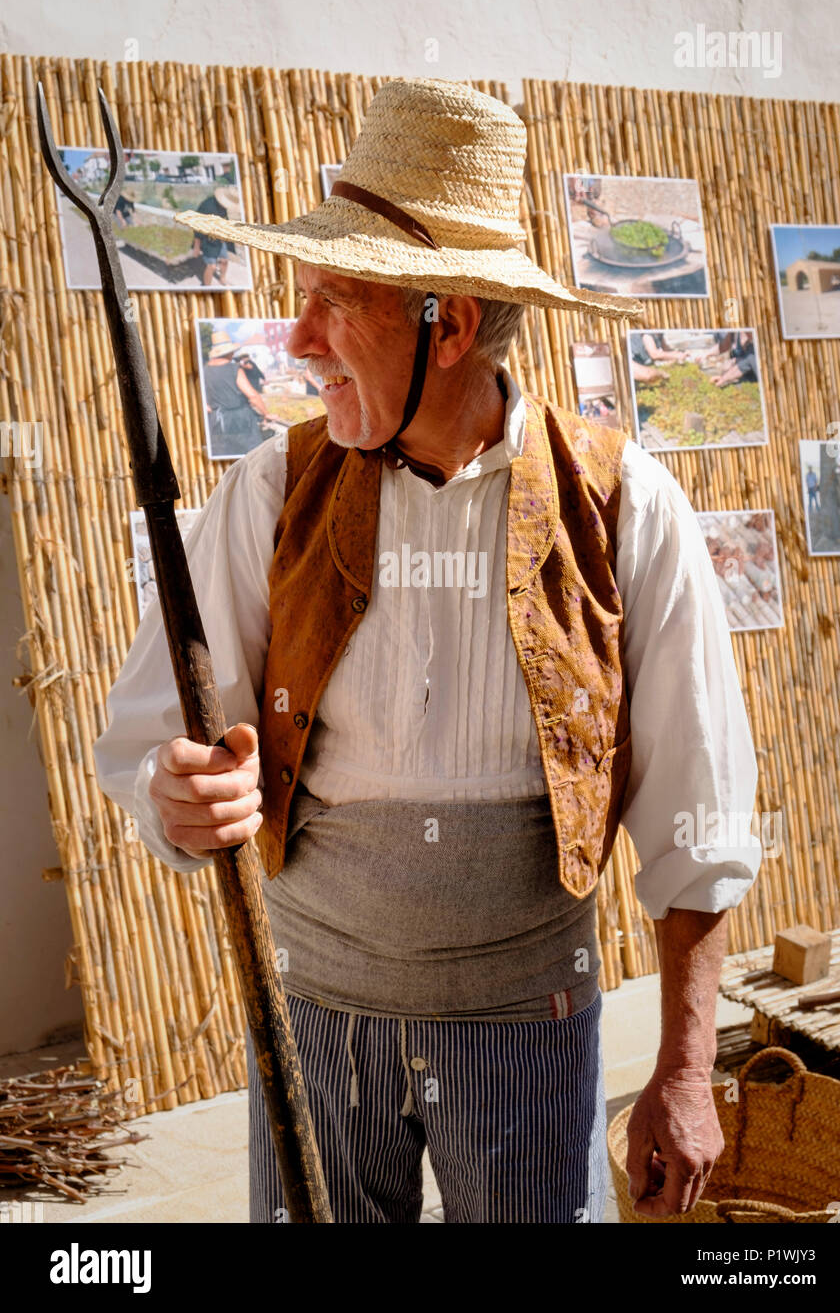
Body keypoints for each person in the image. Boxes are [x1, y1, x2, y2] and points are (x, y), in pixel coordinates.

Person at [93, 78, 761, 1225]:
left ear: (445, 325)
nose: (294, 343)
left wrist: (686, 1070)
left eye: (331, 304)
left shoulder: (621, 508)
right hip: (313, 1022)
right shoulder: (273, 491)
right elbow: (158, 735)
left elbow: (695, 812)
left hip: (527, 1031)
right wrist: (177, 793)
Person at [202, 331, 277, 457]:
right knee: (253, 456)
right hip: (240, 420)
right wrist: (266, 414)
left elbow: (204, 403)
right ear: (229, 351)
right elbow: (253, 396)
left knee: (227, 456)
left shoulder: (204, 370)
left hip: (216, 422)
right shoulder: (234, 369)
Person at [191, 184, 241, 286]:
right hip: (206, 239)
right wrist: (196, 246)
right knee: (212, 266)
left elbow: (224, 219)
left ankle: (222, 279)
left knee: (224, 261)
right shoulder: (207, 206)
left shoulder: (223, 206)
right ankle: (207, 287)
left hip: (219, 239)